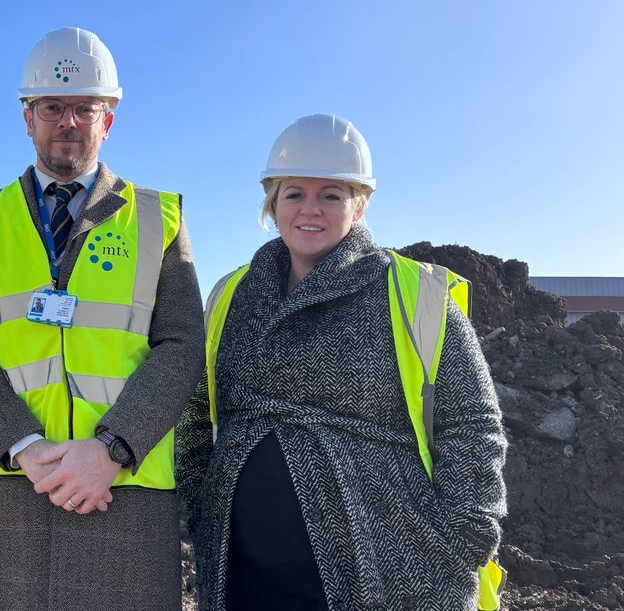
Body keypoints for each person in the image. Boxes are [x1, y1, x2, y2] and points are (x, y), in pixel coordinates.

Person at [176, 114, 507, 611]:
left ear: (360, 203)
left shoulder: (413, 294)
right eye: (294, 194)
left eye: (331, 194)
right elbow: (196, 411)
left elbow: (472, 424)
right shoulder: (232, 294)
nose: (311, 210)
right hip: (241, 572)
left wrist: (461, 540)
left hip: (388, 574)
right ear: (273, 202)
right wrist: (203, 510)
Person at [0, 27, 205, 610]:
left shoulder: (157, 218)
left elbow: (183, 343)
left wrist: (110, 449)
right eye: (52, 108)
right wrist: (23, 444)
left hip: (125, 489)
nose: (68, 122)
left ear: (107, 120)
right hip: (19, 482)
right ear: (28, 118)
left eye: (84, 108)